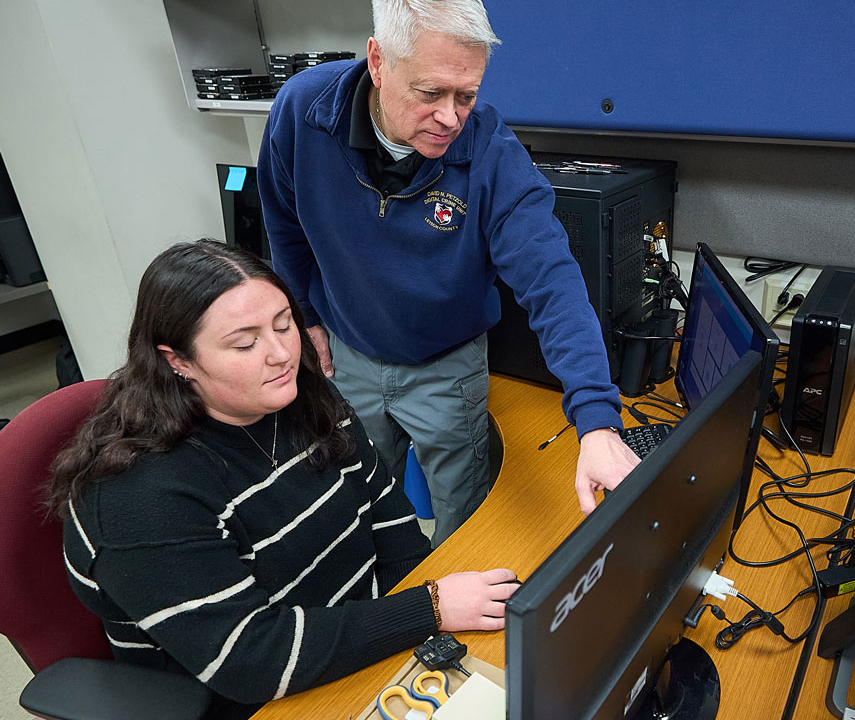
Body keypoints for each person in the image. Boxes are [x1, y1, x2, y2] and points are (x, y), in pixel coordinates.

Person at [48, 240, 519, 720]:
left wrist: (429, 643)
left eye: (284, 324)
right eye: (245, 343)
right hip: (254, 700)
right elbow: (252, 660)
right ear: (178, 361)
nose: (281, 354)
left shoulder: (308, 402)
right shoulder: (137, 495)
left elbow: (391, 523)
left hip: (357, 655)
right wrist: (429, 608)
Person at [258, 0, 640, 547]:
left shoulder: (491, 154)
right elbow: (283, 222)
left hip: (447, 363)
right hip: (346, 349)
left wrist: (596, 420)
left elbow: (553, 281)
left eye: (467, 95)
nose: (450, 118)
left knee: (464, 520)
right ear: (378, 61)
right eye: (430, 93)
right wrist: (306, 315)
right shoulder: (302, 111)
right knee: (365, 498)